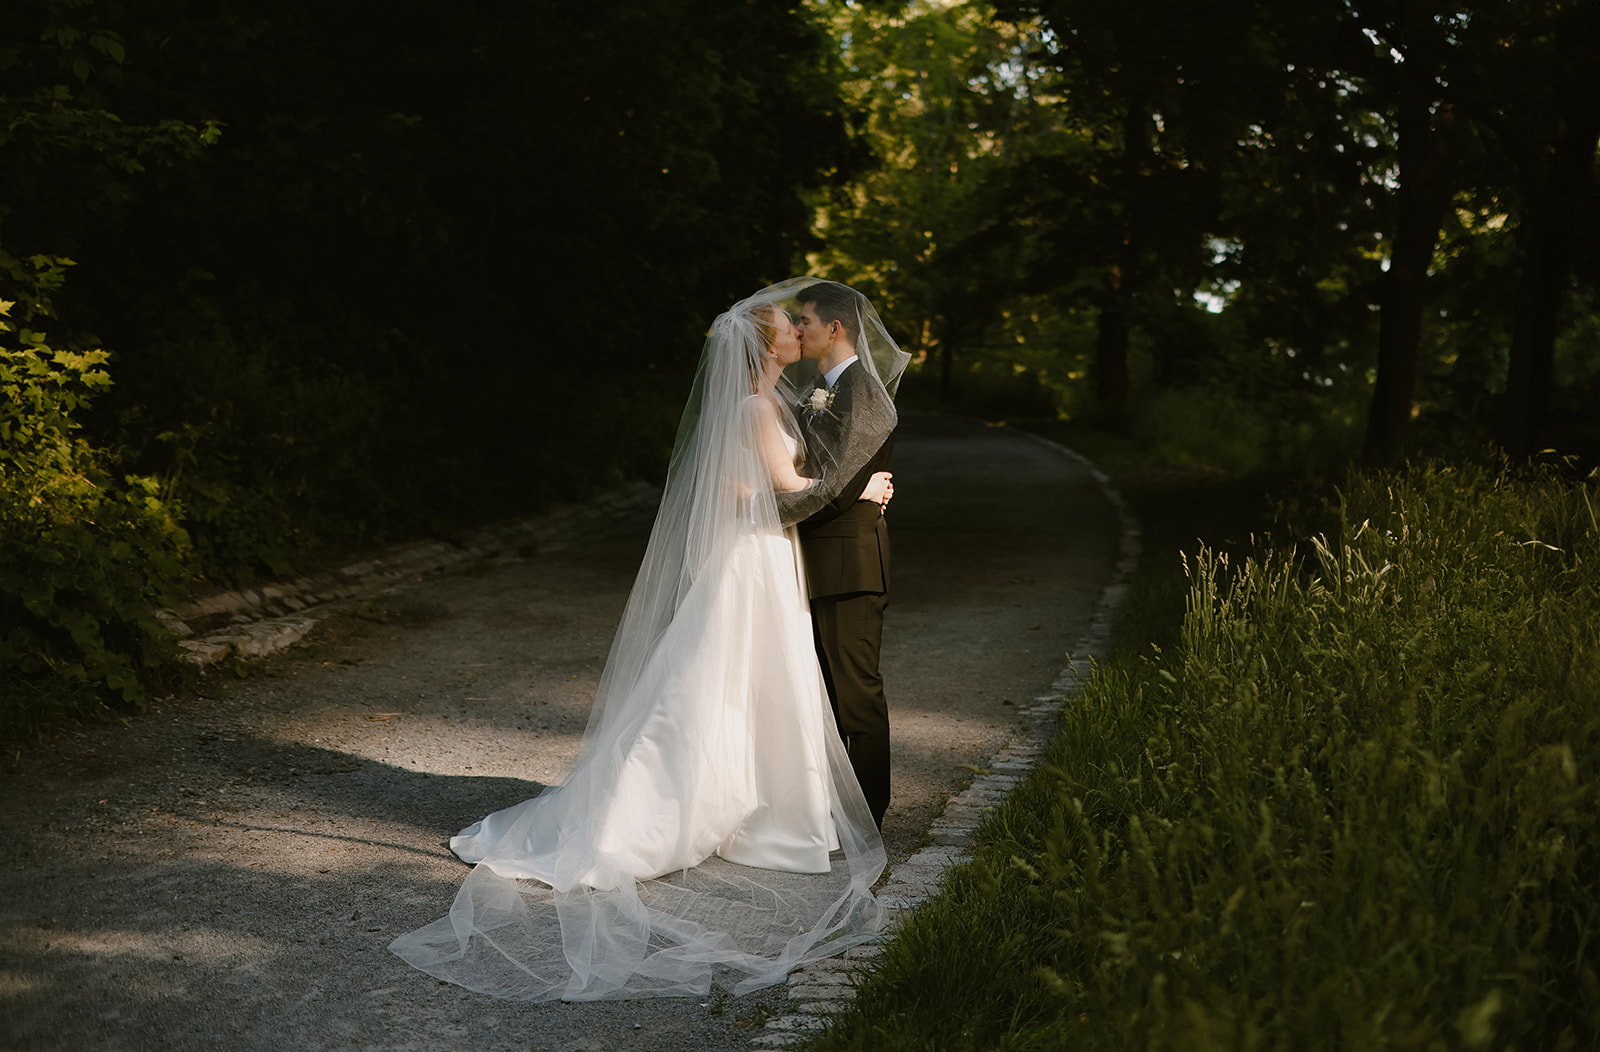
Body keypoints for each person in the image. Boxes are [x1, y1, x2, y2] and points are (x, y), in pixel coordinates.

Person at [389, 279, 906, 1002]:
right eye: (791, 328)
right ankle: (674, 813)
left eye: (804, 325)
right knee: (715, 684)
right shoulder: (759, 405)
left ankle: (751, 805)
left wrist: (845, 488)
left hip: (768, 559)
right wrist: (862, 490)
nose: (799, 334)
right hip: (758, 560)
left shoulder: (779, 402)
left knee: (740, 684)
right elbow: (780, 492)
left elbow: (775, 482)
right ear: (769, 345)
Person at [789, 281, 899, 829]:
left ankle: (869, 819)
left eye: (804, 319)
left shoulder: (866, 393)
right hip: (818, 559)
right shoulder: (820, 388)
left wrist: (772, 506)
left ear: (835, 327)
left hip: (850, 565)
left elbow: (834, 486)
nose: (797, 329)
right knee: (827, 698)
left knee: (856, 698)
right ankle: (835, 813)